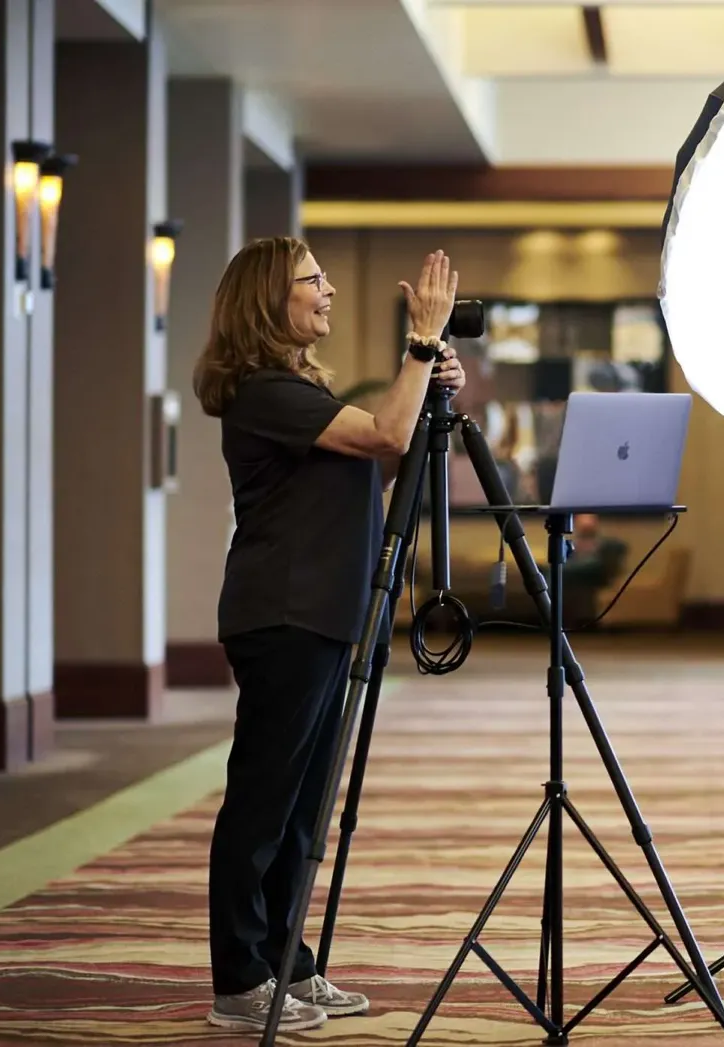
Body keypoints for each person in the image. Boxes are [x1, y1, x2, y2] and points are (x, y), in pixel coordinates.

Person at [190, 239, 467, 1031]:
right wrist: (419, 344)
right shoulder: (262, 391)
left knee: (303, 805)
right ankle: (239, 980)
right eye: (314, 280)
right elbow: (384, 436)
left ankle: (287, 962)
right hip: (285, 612)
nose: (330, 289)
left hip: (325, 611)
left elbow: (385, 452)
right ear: (269, 301)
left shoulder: (301, 390)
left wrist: (434, 379)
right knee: (264, 802)